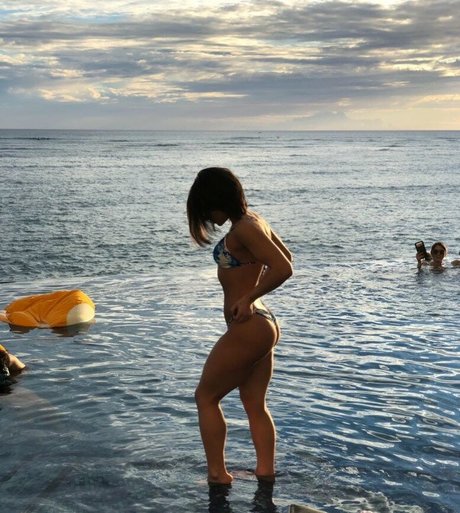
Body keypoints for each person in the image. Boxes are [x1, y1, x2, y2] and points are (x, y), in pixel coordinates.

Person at [187, 167, 293, 485]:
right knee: (254, 403)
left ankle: (218, 475)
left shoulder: (244, 229)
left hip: (250, 327)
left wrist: (248, 297)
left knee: (205, 397)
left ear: (217, 200)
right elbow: (286, 256)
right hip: (261, 324)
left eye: (207, 208)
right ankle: (265, 472)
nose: (208, 217)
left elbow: (284, 267)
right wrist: (252, 296)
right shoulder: (253, 221)